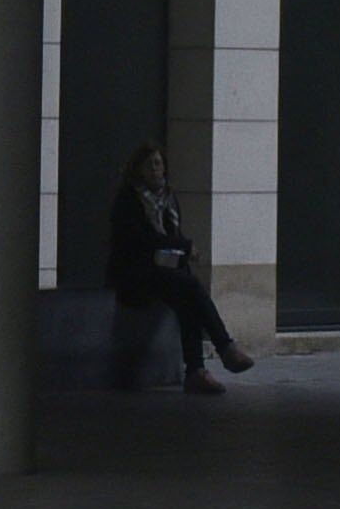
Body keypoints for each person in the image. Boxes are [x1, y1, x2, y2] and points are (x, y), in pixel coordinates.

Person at [104, 141, 249, 393]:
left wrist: (182, 252)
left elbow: (171, 238)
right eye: (149, 165)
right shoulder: (128, 200)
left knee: (187, 299)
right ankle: (223, 347)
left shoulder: (168, 199)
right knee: (190, 286)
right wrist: (185, 246)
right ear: (138, 169)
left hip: (164, 272)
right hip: (135, 274)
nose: (155, 169)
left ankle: (197, 371)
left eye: (158, 163)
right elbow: (142, 241)